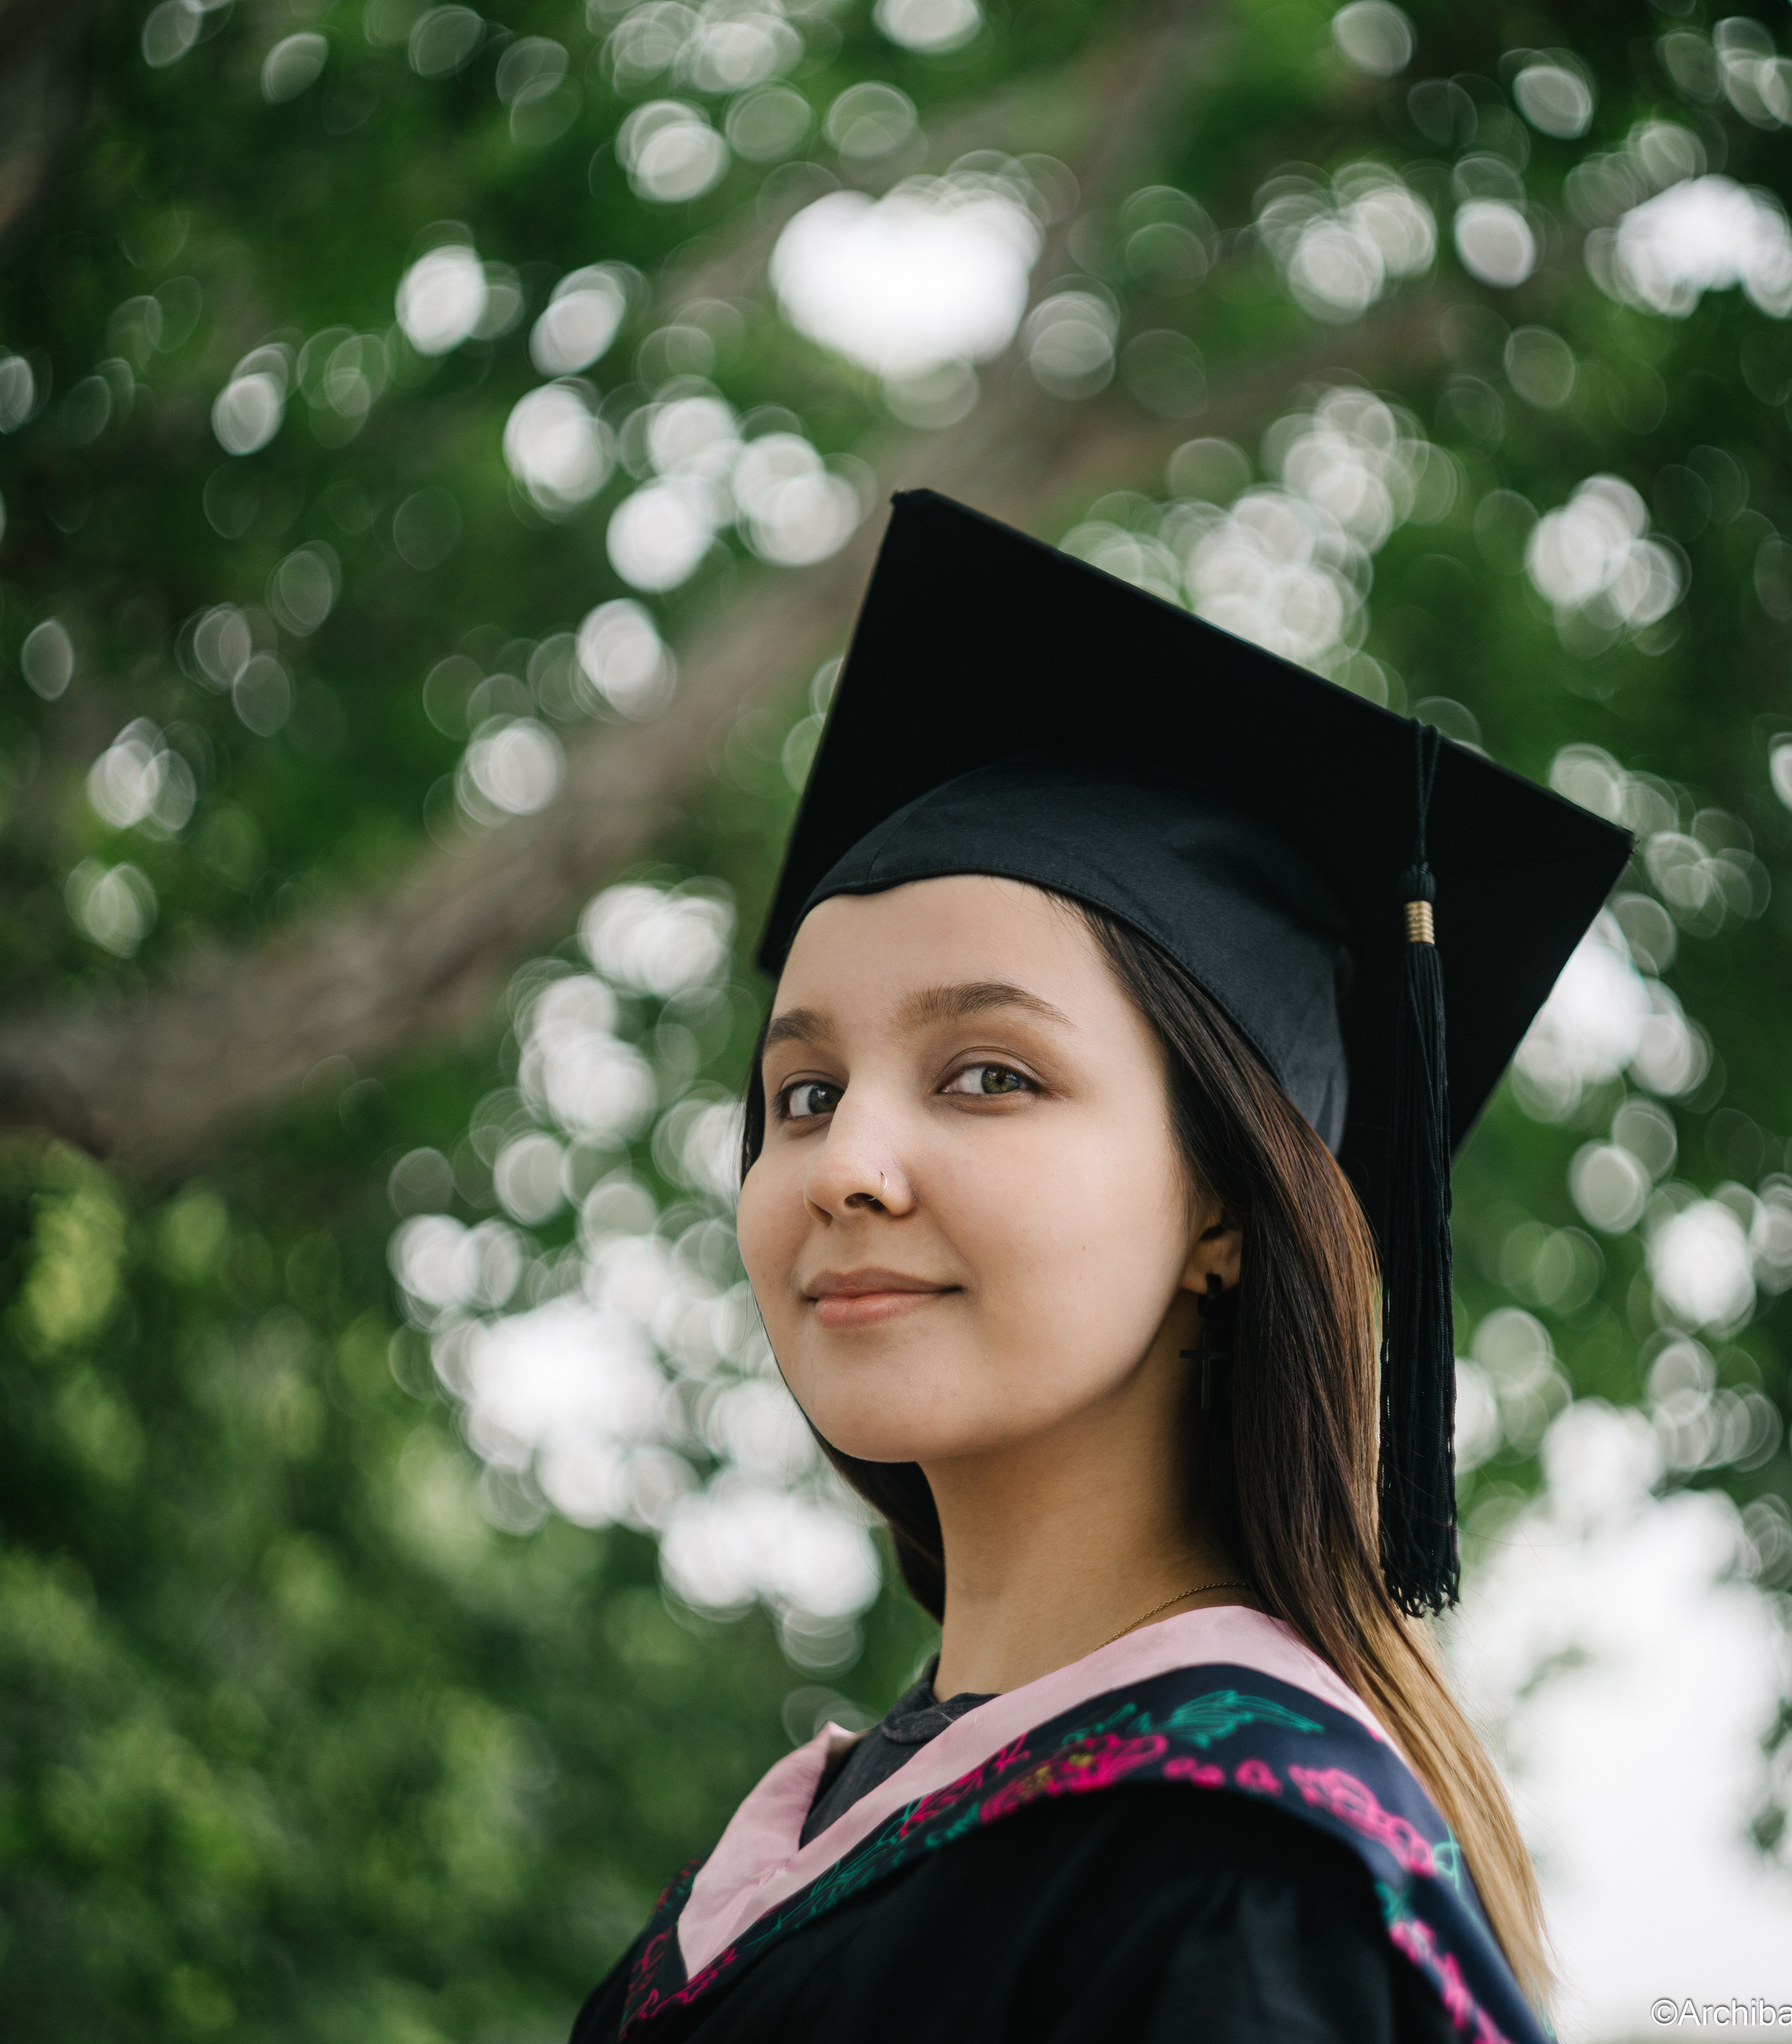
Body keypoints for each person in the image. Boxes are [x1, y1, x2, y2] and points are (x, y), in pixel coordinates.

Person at [572, 491, 1630, 2042]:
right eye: (799, 1093)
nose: (844, 1163)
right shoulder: (783, 1862)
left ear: (1224, 1207)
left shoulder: (1236, 1881)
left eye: (987, 1072)